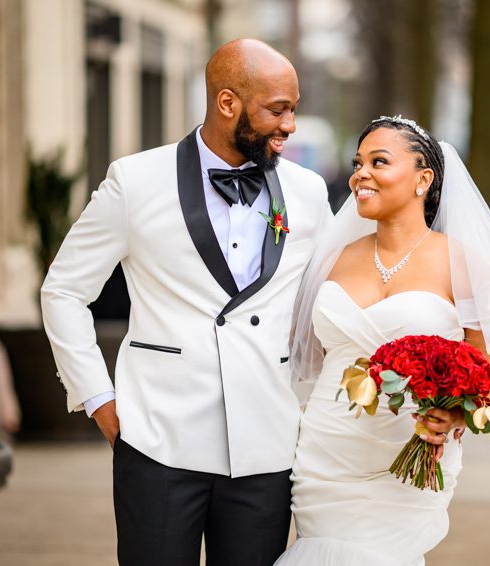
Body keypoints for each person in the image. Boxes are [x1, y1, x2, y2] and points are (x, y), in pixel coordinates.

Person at [40, 39, 333, 566]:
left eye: (294, 108)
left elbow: (329, 301)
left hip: (266, 444)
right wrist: (97, 397)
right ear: (228, 103)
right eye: (277, 109)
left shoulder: (308, 193)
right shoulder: (135, 181)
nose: (290, 124)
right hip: (158, 442)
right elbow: (63, 290)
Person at [277, 116, 490, 566]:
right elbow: (306, 359)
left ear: (423, 179)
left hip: (410, 458)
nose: (361, 174)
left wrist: (453, 414)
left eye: (379, 162)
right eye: (357, 163)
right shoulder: (332, 259)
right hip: (326, 452)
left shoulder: (465, 264)